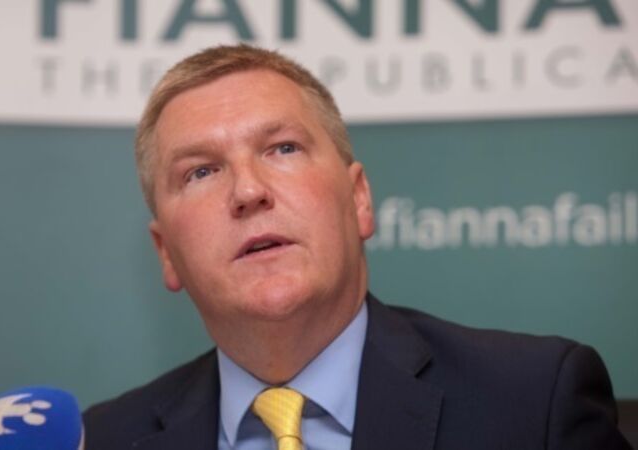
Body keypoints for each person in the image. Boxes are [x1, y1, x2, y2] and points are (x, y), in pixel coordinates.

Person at [83, 44, 630, 450]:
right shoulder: (101, 439)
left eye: (282, 148)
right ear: (166, 253)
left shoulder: (533, 403)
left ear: (359, 199)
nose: (248, 191)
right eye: (201, 171)